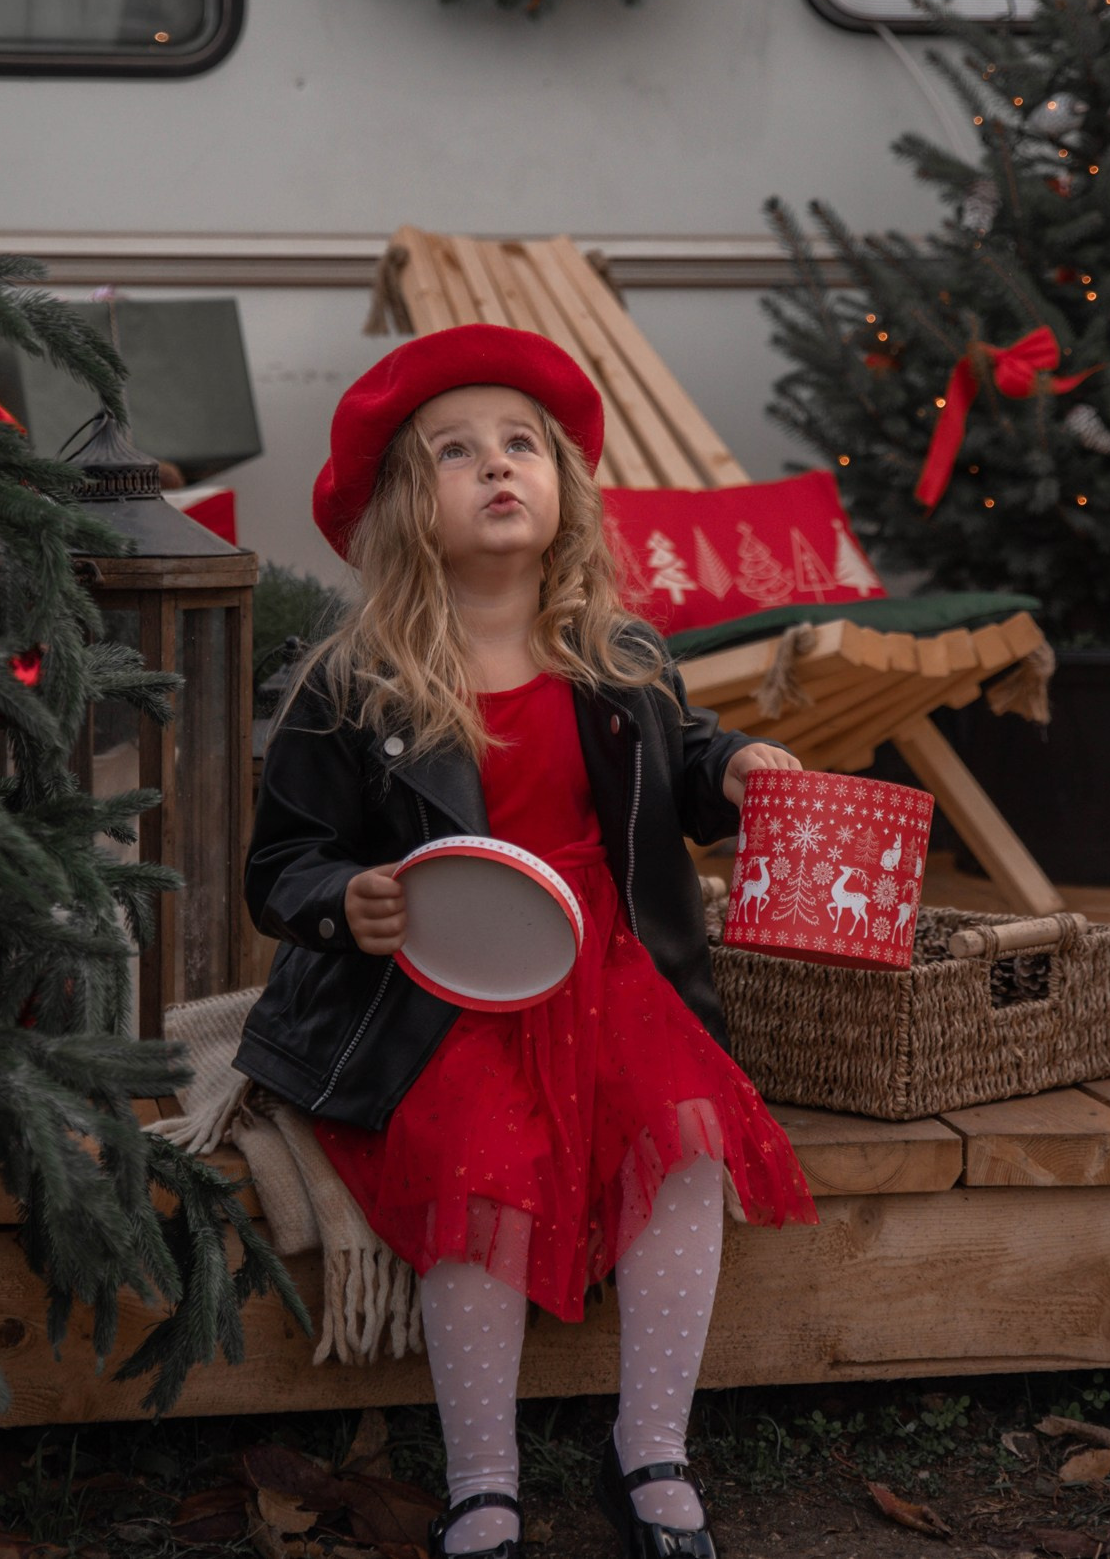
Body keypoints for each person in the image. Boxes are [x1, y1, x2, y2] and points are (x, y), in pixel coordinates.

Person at [237, 326, 818, 1559]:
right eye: (457, 452)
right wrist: (351, 899)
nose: (498, 467)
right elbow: (284, 863)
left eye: (521, 446)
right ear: (404, 507)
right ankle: (483, 1481)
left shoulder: (619, 659)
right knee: (476, 1162)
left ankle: (649, 1449)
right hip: (438, 985)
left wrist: (737, 766)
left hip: (610, 962)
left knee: (683, 1138)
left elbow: (688, 761)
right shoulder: (355, 683)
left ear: (562, 489)